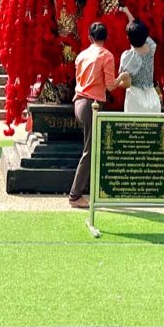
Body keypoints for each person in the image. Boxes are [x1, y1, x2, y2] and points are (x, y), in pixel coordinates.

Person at [68, 22, 118, 209]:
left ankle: (87, 190)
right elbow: (111, 85)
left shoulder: (82, 55)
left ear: (90, 37)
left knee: (91, 149)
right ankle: (75, 195)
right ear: (106, 38)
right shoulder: (107, 56)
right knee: (89, 151)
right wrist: (122, 79)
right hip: (92, 105)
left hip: (79, 102)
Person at [116, 10, 160, 114]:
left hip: (135, 98)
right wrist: (128, 12)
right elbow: (139, 32)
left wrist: (115, 82)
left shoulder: (129, 57)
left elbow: (125, 82)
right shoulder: (151, 48)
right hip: (152, 97)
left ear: (128, 38)